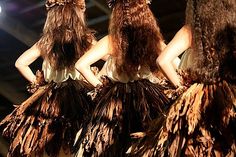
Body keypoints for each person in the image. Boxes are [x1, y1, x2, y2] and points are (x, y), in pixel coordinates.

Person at [73, 0, 180, 156]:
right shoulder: (154, 41)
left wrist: (102, 89)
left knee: (112, 145)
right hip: (150, 98)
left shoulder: (111, 41)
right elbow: (177, 64)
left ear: (117, 15)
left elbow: (81, 65)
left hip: (116, 101)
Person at [129, 0, 236, 156]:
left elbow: (162, 61)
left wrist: (181, 88)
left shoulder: (191, 30)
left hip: (198, 99)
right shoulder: (231, 28)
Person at [0, 0, 96, 156]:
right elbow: (110, 57)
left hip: (52, 98)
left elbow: (20, 63)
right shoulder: (86, 39)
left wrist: (39, 85)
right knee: (79, 140)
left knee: (53, 142)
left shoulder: (47, 41)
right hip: (81, 96)